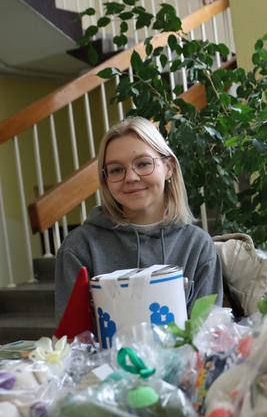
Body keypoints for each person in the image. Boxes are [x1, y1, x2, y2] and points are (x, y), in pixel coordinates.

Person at [55, 116, 223, 322]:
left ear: (168, 167)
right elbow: (73, 342)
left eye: (143, 164)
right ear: (106, 180)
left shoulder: (197, 245)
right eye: (116, 169)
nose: (131, 177)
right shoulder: (79, 247)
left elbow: (207, 334)